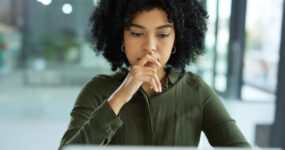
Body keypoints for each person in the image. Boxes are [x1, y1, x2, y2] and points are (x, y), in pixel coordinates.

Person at [58, 0, 250, 149]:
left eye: (163, 35)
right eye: (136, 33)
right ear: (121, 37)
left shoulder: (196, 90)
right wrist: (120, 96)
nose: (149, 46)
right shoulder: (97, 89)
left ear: (177, 39)